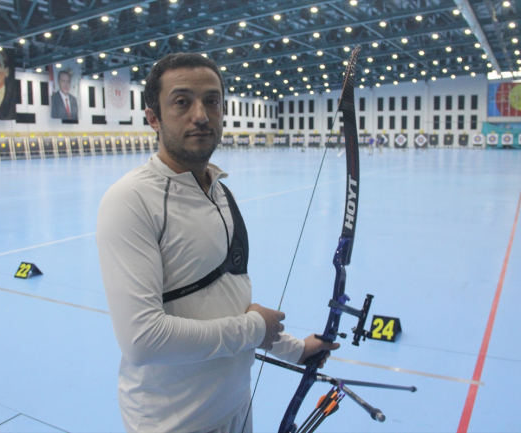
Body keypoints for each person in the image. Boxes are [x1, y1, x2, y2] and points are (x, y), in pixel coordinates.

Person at [96, 53, 339, 433]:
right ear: (153, 118)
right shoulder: (130, 199)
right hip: (174, 423)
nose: (201, 115)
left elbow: (229, 300)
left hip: (235, 407)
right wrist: (254, 329)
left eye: (212, 101)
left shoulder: (221, 193)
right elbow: (142, 341)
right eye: (182, 102)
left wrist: (294, 349)